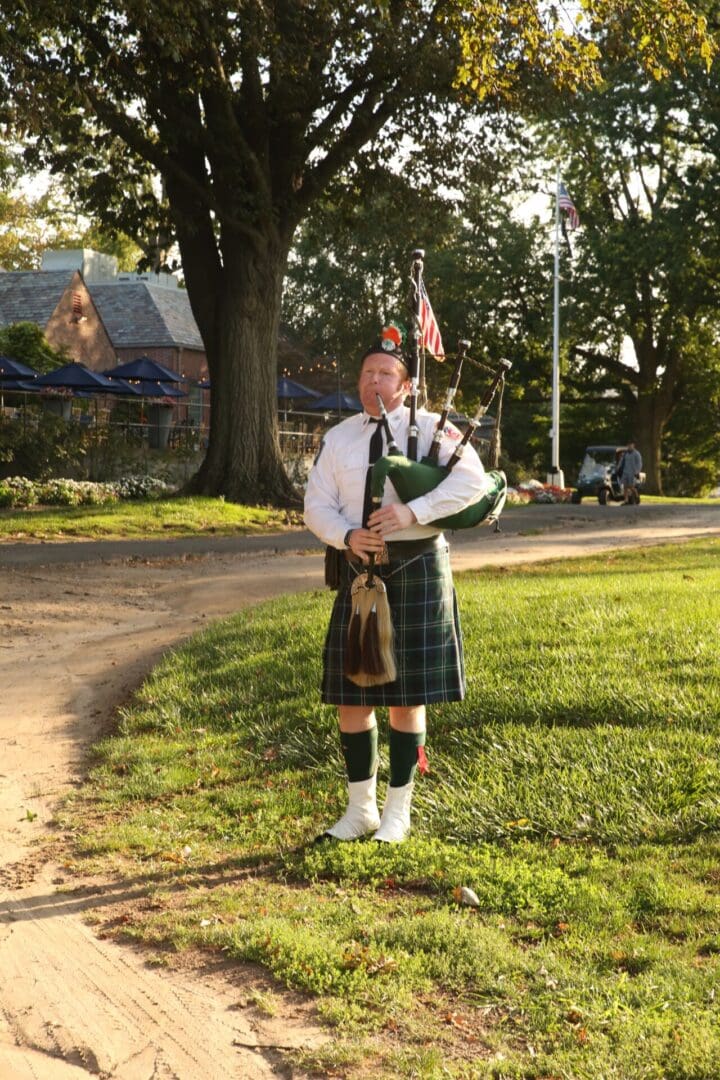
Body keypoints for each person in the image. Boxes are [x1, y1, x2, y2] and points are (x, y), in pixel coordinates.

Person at [304, 331, 488, 843]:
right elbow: (314, 504)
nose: (374, 381)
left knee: (408, 699)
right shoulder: (339, 437)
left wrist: (412, 511)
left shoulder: (434, 430)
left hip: (417, 567)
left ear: (406, 385)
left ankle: (397, 814)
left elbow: (471, 481)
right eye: (367, 373)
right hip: (360, 570)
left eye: (385, 374)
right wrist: (345, 535)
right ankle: (359, 809)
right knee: (352, 697)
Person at [620, 440, 643, 504]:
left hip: (632, 472)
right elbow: (622, 461)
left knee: (631, 486)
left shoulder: (636, 454)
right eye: (628, 445)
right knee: (625, 486)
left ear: (633, 445)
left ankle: (636, 496)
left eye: (631, 445)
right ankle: (626, 500)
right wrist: (618, 467)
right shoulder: (625, 454)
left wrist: (637, 471)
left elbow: (639, 463)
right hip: (625, 472)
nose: (629, 446)